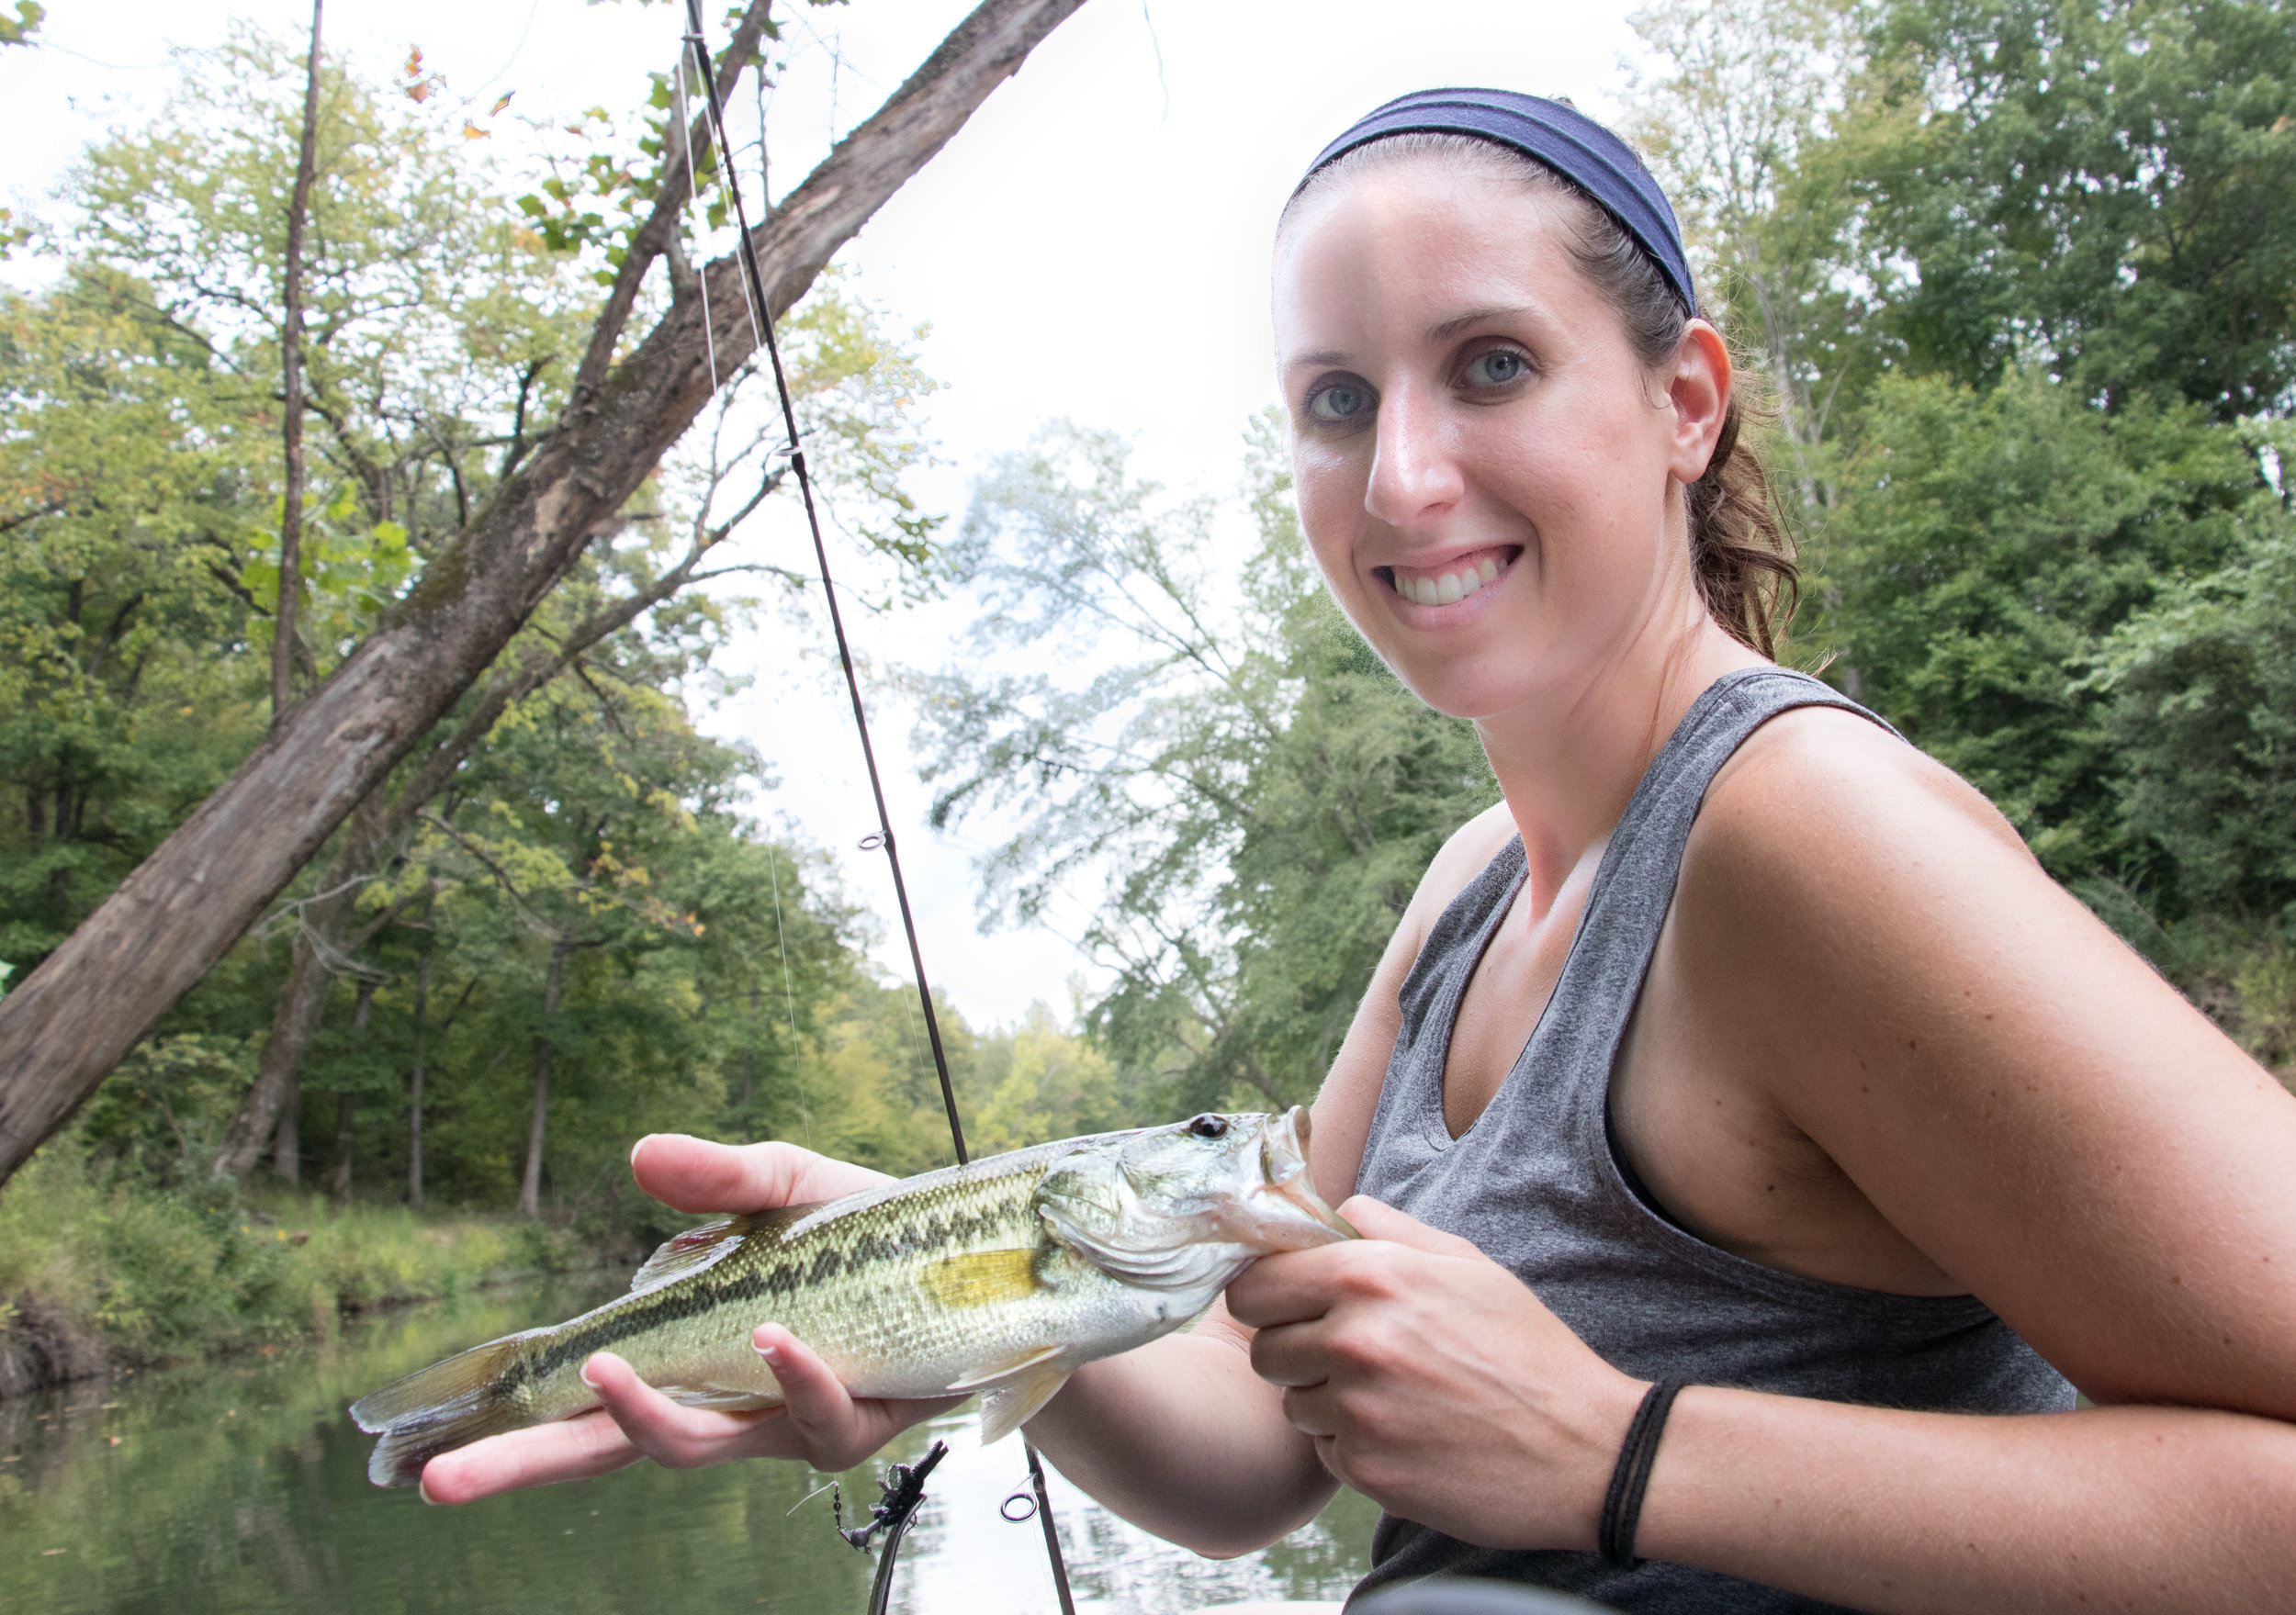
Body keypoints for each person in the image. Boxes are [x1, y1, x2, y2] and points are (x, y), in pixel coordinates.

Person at [419, 90, 2296, 1612]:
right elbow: (1251, 1450)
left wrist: (1614, 1449)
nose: (1399, 477)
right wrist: (919, 1280)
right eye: (1335, 400)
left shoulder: (1801, 836)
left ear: (1681, 400)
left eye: (1487, 365)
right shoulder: (1471, 885)